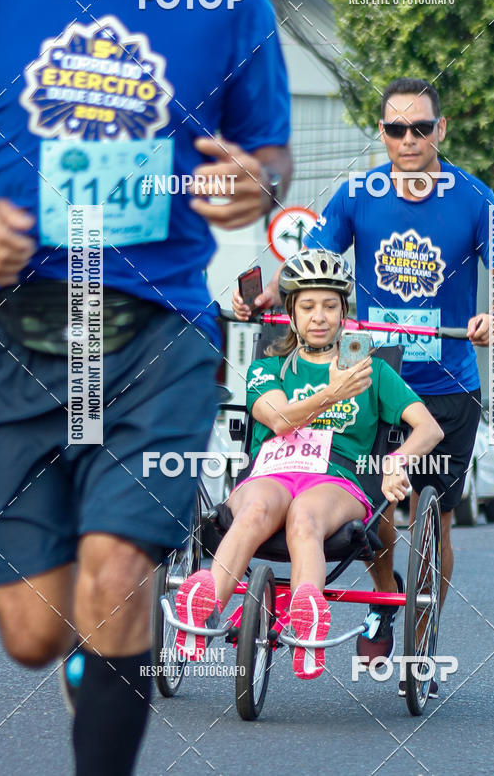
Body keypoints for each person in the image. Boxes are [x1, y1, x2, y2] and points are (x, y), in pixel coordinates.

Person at [0, 0, 291, 773]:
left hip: (157, 328)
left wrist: (256, 183)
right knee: (33, 635)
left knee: (118, 572)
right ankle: (92, 639)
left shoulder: (227, 3)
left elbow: (269, 151)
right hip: (22, 330)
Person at [233, 77, 494, 683]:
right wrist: (268, 293)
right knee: (377, 508)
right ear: (382, 133)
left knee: (435, 517)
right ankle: (382, 607)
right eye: (396, 129)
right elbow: (308, 262)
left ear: (440, 130)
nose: (409, 140)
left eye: (421, 127)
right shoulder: (357, 193)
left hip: (448, 385)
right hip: (372, 376)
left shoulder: (474, 197)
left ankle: (422, 637)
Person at [176, 249, 443, 679]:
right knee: (257, 509)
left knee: (305, 518)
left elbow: (428, 429)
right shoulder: (268, 367)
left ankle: (307, 614)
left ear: (343, 312)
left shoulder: (371, 369)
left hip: (335, 477)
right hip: (272, 468)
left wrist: (397, 461)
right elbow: (279, 419)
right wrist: (332, 393)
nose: (319, 316)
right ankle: (204, 602)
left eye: (329, 306)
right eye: (307, 306)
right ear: (291, 313)